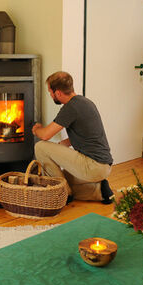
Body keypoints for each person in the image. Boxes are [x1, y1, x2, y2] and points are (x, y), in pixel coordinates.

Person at [32, 71, 114, 204]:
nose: (50, 95)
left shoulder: (71, 108)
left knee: (40, 147)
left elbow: (45, 135)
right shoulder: (85, 102)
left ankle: (61, 193)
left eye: (50, 92)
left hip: (93, 166)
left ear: (58, 93)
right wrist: (61, 145)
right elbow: (85, 135)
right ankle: (100, 191)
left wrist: (36, 129)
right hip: (103, 167)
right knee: (63, 180)